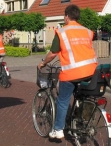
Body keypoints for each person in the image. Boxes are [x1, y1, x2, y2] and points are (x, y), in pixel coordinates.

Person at [38, 4, 98, 139]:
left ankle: (58, 129)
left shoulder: (62, 32)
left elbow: (53, 53)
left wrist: (43, 62)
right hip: (91, 72)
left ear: (66, 16)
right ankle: (80, 121)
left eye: (64, 16)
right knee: (82, 97)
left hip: (72, 73)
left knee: (63, 100)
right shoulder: (87, 31)